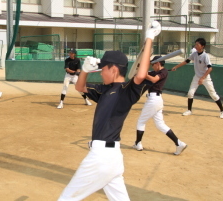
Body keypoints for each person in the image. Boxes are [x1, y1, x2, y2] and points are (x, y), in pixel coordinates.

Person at [58, 22, 161, 200]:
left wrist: (150, 37)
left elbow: (141, 74)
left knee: (66, 198)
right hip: (112, 158)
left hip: (101, 158)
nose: (100, 73)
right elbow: (80, 87)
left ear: (113, 70)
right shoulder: (104, 89)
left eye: (102, 69)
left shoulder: (127, 91)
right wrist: (84, 70)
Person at [133, 56, 187, 155]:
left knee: (141, 121)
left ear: (158, 63)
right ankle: (179, 143)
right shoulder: (155, 72)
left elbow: (153, 80)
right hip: (156, 100)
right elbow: (143, 73)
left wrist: (144, 73)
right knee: (160, 124)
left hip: (154, 100)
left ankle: (138, 143)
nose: (153, 67)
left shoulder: (163, 72)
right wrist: (141, 66)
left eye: (154, 64)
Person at [172, 38, 223, 119]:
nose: (195, 46)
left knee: (213, 94)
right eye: (195, 44)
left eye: (197, 44)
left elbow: (210, 68)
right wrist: (176, 67)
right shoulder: (194, 54)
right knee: (190, 93)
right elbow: (186, 61)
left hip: (205, 78)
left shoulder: (205, 56)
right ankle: (189, 110)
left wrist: (202, 78)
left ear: (202, 46)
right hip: (196, 77)